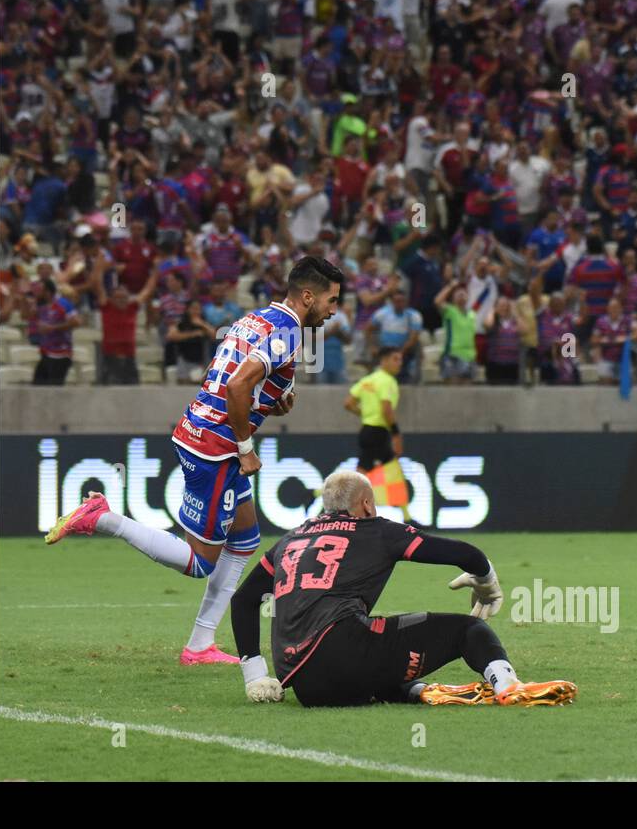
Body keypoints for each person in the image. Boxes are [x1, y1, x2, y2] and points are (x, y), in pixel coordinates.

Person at [45, 256, 344, 666]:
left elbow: (227, 376)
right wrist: (245, 448)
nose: (334, 310)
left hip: (199, 430)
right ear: (307, 296)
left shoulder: (256, 319)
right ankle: (103, 517)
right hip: (215, 447)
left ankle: (200, 645)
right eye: (331, 300)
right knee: (202, 562)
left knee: (244, 541)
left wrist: (272, 403)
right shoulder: (288, 331)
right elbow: (237, 387)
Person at [226, 470, 577, 708]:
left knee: (374, 642)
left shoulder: (289, 539)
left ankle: (419, 692)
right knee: (469, 629)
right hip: (347, 651)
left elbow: (243, 600)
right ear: (365, 503)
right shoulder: (377, 530)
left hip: (307, 686)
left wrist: (256, 676)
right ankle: (508, 687)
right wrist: (486, 583)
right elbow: (465, 554)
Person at [344, 346, 410, 522]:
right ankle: (319, 498)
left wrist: (365, 415)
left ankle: (407, 517)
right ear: (384, 361)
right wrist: (396, 433)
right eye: (396, 359)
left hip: (367, 430)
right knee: (361, 477)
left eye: (400, 360)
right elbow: (386, 408)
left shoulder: (367, 380)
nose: (399, 363)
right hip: (378, 432)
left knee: (389, 470)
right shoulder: (387, 381)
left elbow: (348, 403)